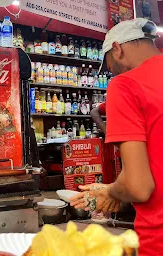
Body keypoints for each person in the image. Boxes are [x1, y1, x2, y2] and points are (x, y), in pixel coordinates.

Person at [71, 18, 163, 256]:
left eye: (110, 66)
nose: (111, 72)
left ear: (117, 48)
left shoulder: (125, 85)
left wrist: (110, 192)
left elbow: (138, 186)